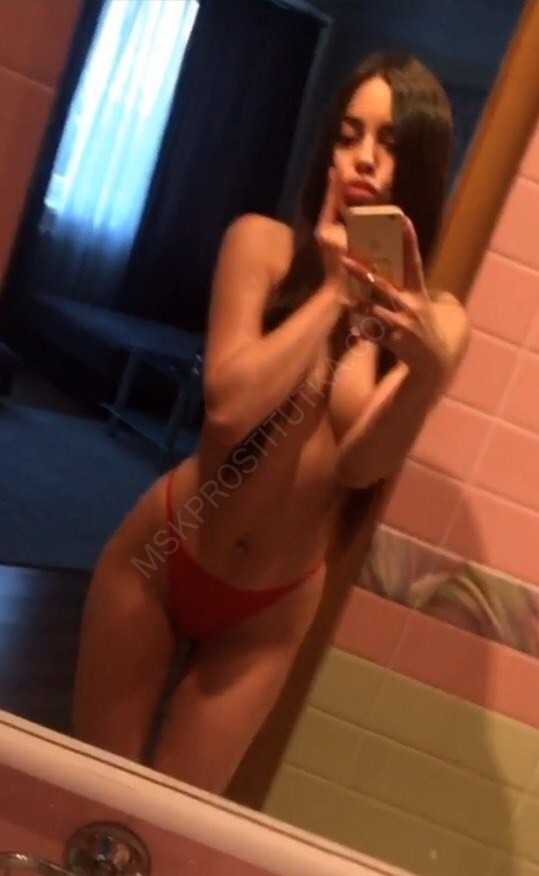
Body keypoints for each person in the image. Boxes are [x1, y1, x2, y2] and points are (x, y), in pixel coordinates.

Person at [73, 51, 470, 794]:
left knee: (171, 826)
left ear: (418, 168)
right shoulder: (261, 245)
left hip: (267, 614)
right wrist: (334, 290)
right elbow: (229, 406)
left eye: (388, 143)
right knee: (88, 795)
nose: (362, 158)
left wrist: (425, 374)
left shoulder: (436, 323)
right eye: (349, 135)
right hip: (162, 557)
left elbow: (360, 465)